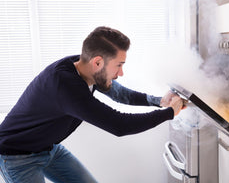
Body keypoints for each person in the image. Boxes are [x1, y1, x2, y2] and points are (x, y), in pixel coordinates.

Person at [0, 26, 184, 183]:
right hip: (17, 157)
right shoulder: (65, 85)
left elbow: (119, 94)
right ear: (97, 62)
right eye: (119, 65)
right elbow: (119, 125)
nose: (121, 73)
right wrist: (169, 113)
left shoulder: (83, 66)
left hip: (50, 149)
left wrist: (159, 102)